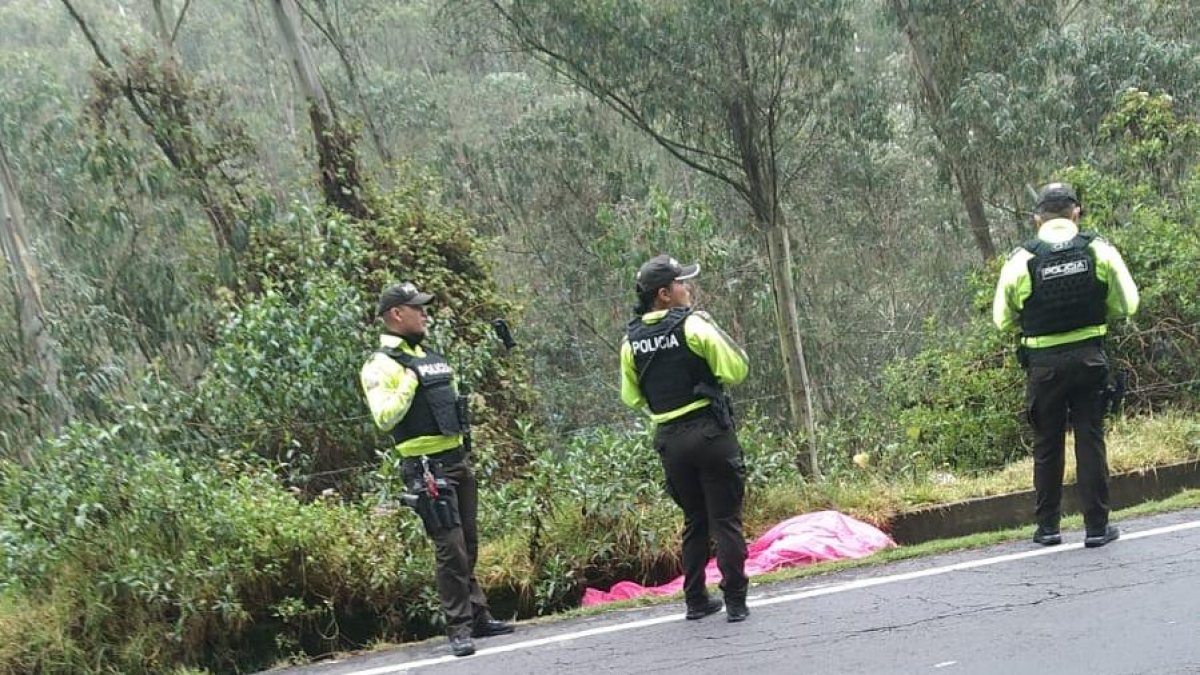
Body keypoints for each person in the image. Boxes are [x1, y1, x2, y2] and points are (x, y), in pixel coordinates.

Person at [360, 282, 513, 657]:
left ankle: (478, 617)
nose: (425, 314)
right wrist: (410, 380)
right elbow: (384, 417)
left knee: (469, 543)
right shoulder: (380, 364)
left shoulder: (432, 357)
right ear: (397, 314)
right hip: (425, 467)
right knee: (451, 549)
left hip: (457, 459)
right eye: (418, 308)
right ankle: (458, 628)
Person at [992, 183, 1139, 548]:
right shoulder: (1098, 249)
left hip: (1043, 365)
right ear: (1076, 213)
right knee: (1090, 438)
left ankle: (1048, 529)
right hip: (1090, 358)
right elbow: (1128, 304)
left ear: (1037, 218)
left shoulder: (1022, 259)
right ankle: (1097, 528)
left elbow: (1002, 319)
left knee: (1047, 443)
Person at [619, 255, 751, 622]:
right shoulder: (693, 325)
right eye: (681, 283)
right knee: (725, 519)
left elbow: (631, 397)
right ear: (664, 294)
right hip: (709, 432)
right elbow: (736, 370)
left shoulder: (630, 342)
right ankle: (736, 601)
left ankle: (696, 599)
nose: (687, 288)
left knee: (695, 519)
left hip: (670, 442)